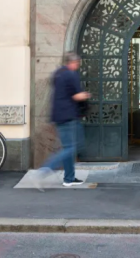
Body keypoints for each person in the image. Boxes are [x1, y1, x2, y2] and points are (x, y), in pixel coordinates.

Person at [35, 52, 90, 189]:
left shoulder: (58, 73)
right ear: (74, 62)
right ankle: (44, 171)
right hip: (68, 116)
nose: (78, 66)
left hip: (58, 116)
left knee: (69, 148)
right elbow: (77, 96)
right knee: (70, 148)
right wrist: (86, 95)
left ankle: (69, 178)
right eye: (77, 63)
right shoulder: (71, 74)